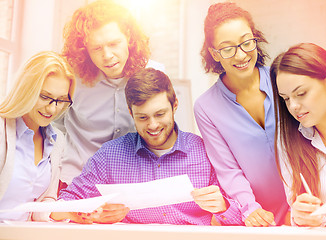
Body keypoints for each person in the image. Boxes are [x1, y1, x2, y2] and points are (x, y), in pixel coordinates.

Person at [51, 68, 242, 225]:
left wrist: (223, 205)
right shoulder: (110, 155)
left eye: (160, 114)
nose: (152, 125)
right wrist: (91, 214)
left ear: (175, 105)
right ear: (130, 112)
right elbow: (64, 204)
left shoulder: (205, 151)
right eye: (142, 117)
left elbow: (241, 214)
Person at [193, 2, 288, 226]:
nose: (241, 55)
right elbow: (228, 170)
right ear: (214, 54)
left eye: (247, 42)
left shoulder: (280, 80)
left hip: (305, 206)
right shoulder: (206, 107)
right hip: (256, 215)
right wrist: (250, 208)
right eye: (228, 48)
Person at [55, 0, 164, 188]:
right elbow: (53, 128)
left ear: (128, 38)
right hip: (76, 180)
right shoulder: (71, 78)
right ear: (85, 49)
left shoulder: (154, 74)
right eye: (96, 48)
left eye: (114, 44)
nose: (107, 56)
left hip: (132, 183)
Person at [270, 42, 326, 227]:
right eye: (286, 98)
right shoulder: (287, 141)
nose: (293, 106)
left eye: (301, 93)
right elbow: (299, 211)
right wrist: (301, 217)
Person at [0, 51, 75, 222]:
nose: (52, 109)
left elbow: (42, 204)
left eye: (61, 100)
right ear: (26, 89)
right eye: (44, 97)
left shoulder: (57, 140)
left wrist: (68, 212)